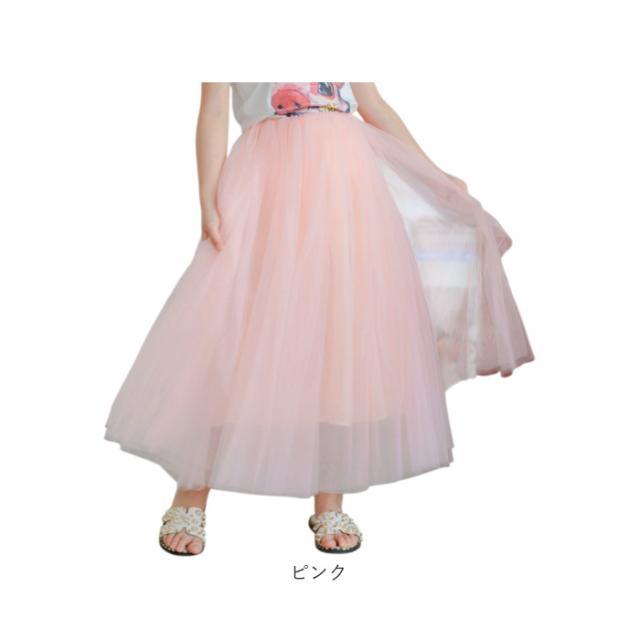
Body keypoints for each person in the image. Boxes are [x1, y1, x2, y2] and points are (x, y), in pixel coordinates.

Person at [104, 82, 534, 556]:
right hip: (264, 185)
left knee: (339, 329)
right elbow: (214, 112)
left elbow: (372, 104)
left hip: (345, 185)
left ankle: (331, 495)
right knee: (229, 321)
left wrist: (435, 175)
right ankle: (191, 491)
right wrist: (207, 197)